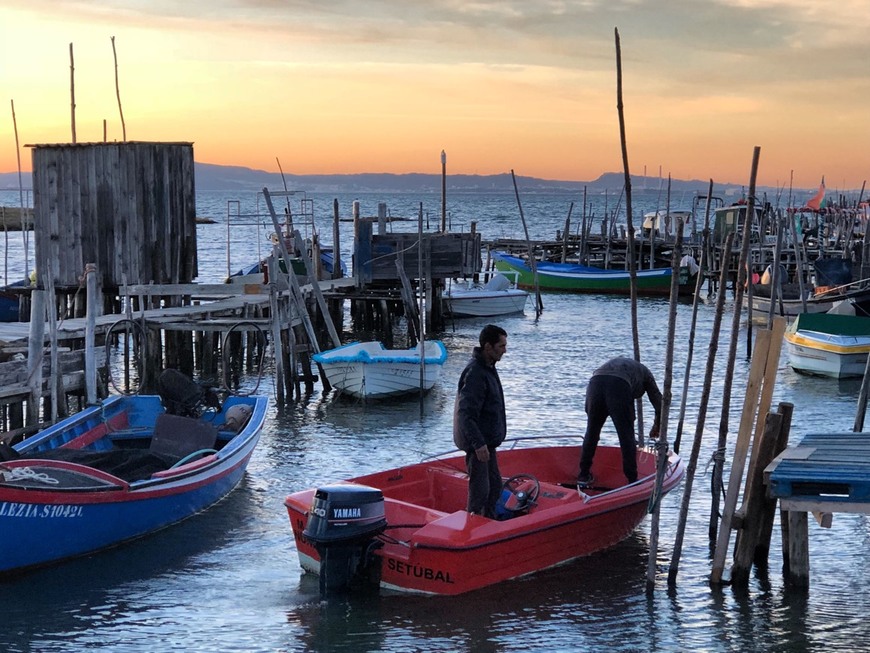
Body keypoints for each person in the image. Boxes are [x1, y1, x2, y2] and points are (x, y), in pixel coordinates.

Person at [577, 357, 662, 487]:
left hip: (594, 384)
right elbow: (659, 402)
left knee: (592, 432)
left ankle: (583, 475)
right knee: (626, 436)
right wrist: (657, 424)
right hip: (618, 386)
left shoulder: (631, 369)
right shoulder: (646, 374)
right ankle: (632, 479)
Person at [453, 324, 508, 518]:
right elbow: (465, 413)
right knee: (480, 491)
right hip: (479, 444)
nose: (505, 350)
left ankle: (489, 522)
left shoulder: (488, 368)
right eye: (501, 346)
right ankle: (474, 523)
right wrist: (478, 443)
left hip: (488, 442)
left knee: (495, 487)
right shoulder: (476, 372)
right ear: (488, 347)